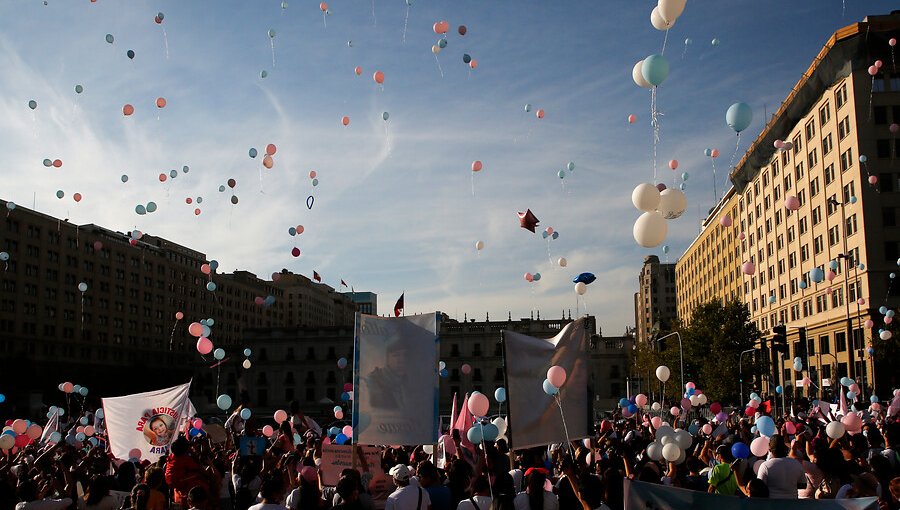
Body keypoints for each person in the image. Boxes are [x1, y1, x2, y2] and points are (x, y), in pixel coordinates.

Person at [756, 435, 806, 499]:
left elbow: (760, 488)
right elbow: (803, 485)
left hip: (773, 504)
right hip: (793, 504)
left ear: (769, 449)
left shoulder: (765, 466)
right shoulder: (796, 464)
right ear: (785, 448)